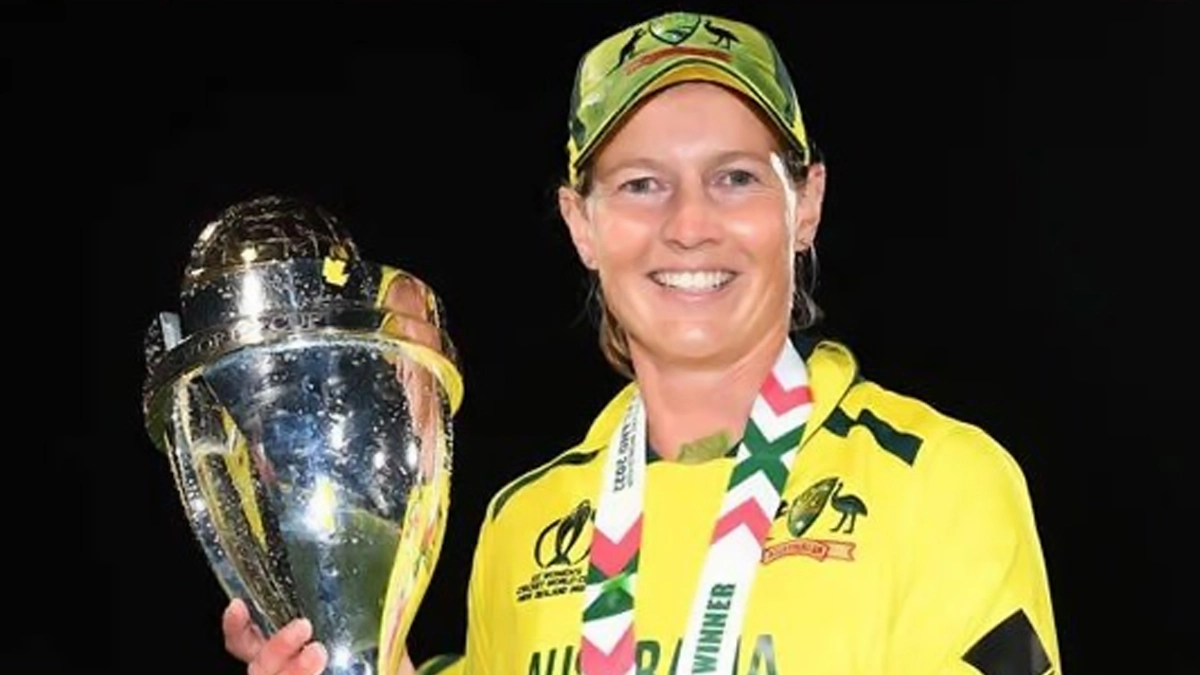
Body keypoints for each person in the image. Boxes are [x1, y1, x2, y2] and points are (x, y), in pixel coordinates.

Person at [223, 10, 1062, 675]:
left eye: (735, 177)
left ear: (805, 205)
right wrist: (346, 644)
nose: (689, 224)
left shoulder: (940, 483)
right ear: (580, 223)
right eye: (641, 184)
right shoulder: (524, 522)